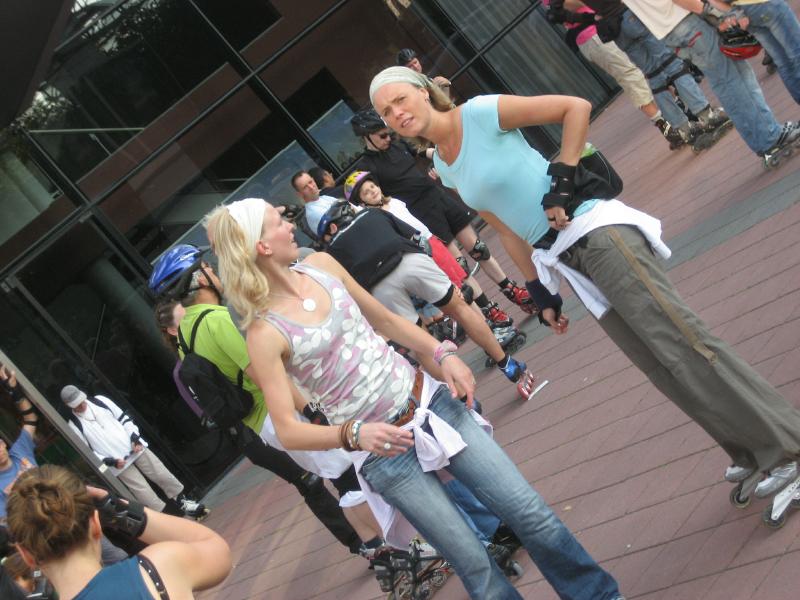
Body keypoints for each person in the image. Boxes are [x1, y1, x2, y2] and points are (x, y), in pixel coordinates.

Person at [369, 66, 800, 513]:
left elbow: (575, 108)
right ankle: (749, 449)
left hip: (596, 233)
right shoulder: (443, 164)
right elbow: (507, 229)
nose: (396, 113)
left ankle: (786, 448)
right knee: (658, 362)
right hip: (565, 258)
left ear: (423, 92)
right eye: (386, 111)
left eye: (401, 99)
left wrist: (561, 183)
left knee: (683, 344)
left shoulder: (478, 113)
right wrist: (541, 294)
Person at [204, 197, 624, 599]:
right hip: (383, 455)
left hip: (430, 405)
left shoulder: (322, 267)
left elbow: (386, 320)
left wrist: (442, 355)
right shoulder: (263, 332)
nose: (290, 225)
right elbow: (288, 430)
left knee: (530, 513)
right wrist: (353, 435)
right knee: (474, 564)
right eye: (278, 222)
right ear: (262, 245)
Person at [149, 248, 384, 559]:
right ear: (199, 279)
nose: (215, 273)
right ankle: (393, 551)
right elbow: (263, 375)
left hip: (263, 423)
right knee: (348, 477)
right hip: (282, 410)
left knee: (341, 478)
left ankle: (379, 551)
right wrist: (309, 410)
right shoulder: (216, 319)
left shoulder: (185, 336)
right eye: (209, 268)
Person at [304, 196, 536, 397]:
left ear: (330, 229)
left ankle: (465, 396)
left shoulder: (332, 251)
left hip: (379, 285)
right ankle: (508, 364)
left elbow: (352, 289)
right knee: (460, 309)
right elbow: (418, 239)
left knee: (420, 344)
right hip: (409, 260)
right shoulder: (372, 214)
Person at [351, 108, 536, 323]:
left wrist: (440, 159)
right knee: (459, 265)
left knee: (478, 248)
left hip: (437, 196)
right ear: (367, 137)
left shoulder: (398, 145)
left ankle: (512, 290)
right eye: (382, 136)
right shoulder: (367, 166)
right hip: (420, 213)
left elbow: (424, 152)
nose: (388, 139)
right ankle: (491, 312)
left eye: (388, 133)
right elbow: (374, 199)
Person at [589, 0, 799, 167]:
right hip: (684, 19)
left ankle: (767, 136)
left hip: (668, 28)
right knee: (731, 79)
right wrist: (711, 12)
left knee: (732, 77)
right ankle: (769, 138)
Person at [7, 464, 231, 599]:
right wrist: (118, 509)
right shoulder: (157, 569)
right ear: (96, 525)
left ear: (26, 555)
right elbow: (215, 548)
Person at [546, 0, 728, 151]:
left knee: (654, 75)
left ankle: (685, 129)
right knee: (671, 64)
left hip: (613, 27)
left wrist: (591, 18)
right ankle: (707, 115)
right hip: (631, 14)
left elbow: (554, 13)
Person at [61, 385, 207, 519]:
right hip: (118, 464)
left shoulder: (100, 401)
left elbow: (124, 418)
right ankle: (167, 517)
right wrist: (110, 461)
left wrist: (134, 438)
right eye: (77, 404)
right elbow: (89, 451)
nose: (81, 405)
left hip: (135, 447)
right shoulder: (74, 425)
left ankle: (183, 501)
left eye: (81, 401)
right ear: (69, 406)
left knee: (161, 473)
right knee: (143, 492)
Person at [711, 0, 800, 105]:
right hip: (763, 3)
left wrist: (736, 13)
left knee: (783, 62)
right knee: (796, 51)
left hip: (745, 12)